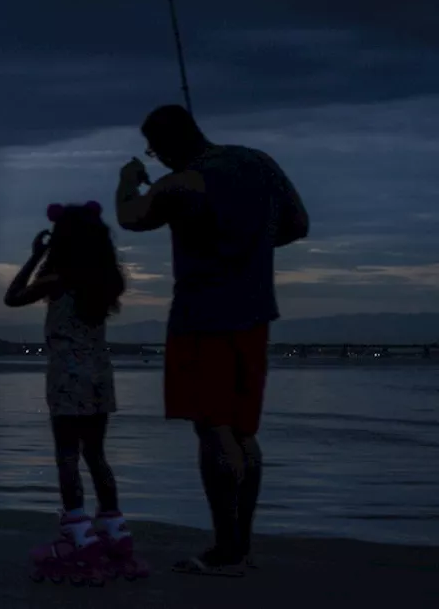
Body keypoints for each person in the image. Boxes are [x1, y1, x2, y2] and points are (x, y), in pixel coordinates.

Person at [115, 104, 309, 576]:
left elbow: (131, 217)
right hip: (256, 312)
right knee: (243, 431)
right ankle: (240, 546)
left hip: (202, 317)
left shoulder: (182, 183)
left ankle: (226, 550)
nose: (154, 158)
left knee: (214, 430)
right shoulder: (259, 163)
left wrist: (129, 178)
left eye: (153, 150)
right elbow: (297, 224)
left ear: (165, 145)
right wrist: (254, 245)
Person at [5, 201, 146, 584]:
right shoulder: (105, 281)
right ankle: (116, 533)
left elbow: (13, 296)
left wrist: (37, 256)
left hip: (67, 376)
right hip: (100, 375)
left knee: (67, 457)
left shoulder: (59, 279)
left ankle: (79, 537)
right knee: (96, 455)